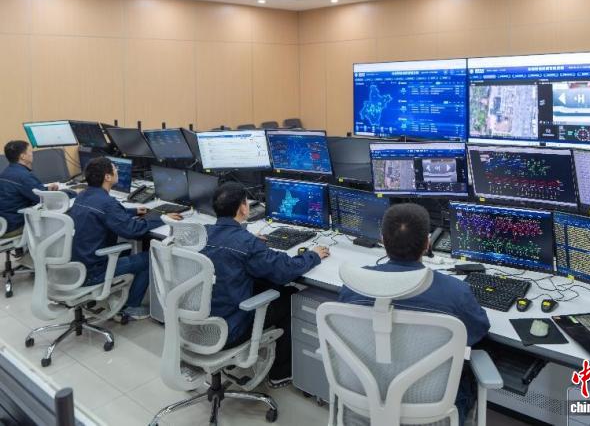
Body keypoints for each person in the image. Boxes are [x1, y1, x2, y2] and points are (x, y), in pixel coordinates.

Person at [338, 203, 490, 424]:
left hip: (366, 400)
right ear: (428, 243)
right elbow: (479, 330)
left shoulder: (354, 285)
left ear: (383, 240)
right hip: (431, 411)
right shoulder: (455, 292)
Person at [203, 182, 329, 387]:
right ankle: (281, 373)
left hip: (199, 324)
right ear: (243, 208)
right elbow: (284, 271)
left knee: (267, 285)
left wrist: (248, 241)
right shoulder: (245, 243)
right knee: (288, 295)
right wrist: (313, 255)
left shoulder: (202, 234)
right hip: (230, 329)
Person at [69, 157, 182, 320]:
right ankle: (131, 307)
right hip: (93, 271)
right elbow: (133, 230)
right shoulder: (107, 203)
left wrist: (134, 211)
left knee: (127, 250)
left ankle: (124, 295)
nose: (117, 171)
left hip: (77, 267)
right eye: (114, 169)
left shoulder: (83, 195)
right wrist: (162, 217)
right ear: (107, 177)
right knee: (151, 258)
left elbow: (108, 213)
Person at [0, 140, 71, 237]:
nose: (32, 154)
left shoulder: (6, 173)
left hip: (4, 222)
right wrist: (72, 193)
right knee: (65, 214)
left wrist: (46, 190)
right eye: (30, 151)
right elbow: (43, 199)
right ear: (23, 156)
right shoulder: (23, 176)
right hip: (14, 225)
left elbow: (31, 191)